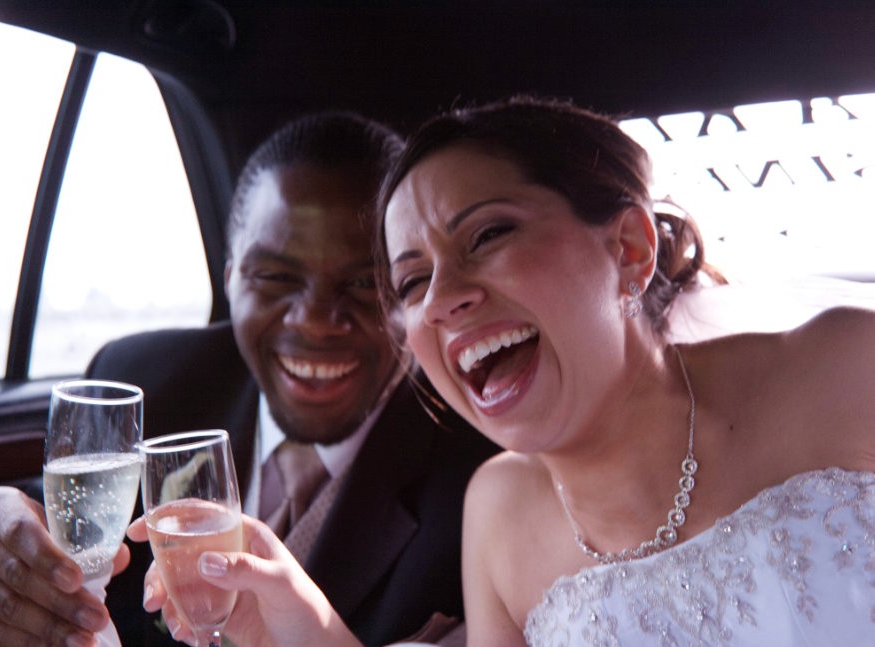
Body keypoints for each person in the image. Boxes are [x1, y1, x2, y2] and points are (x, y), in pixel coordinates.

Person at [148, 96, 875, 646]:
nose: (441, 299)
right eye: (409, 282)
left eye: (487, 235)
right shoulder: (495, 514)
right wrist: (308, 631)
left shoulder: (843, 366)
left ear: (628, 247)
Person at [0, 111, 498, 647]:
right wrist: (0, 548)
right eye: (275, 276)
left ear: (412, 288)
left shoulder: (487, 484)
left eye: (365, 282)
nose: (315, 320)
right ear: (230, 279)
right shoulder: (144, 381)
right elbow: (59, 524)